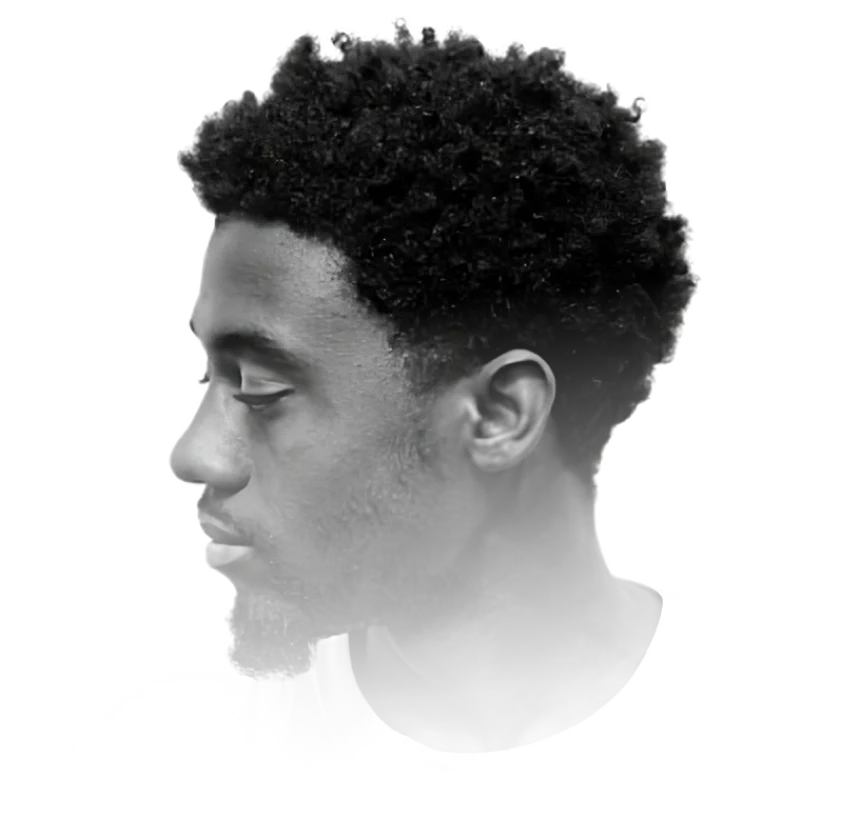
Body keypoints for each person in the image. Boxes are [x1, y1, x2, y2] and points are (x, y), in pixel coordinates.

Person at [17, 20, 852, 817]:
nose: (194, 453)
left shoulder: (784, 767)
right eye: (209, 374)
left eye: (264, 391)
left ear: (499, 412)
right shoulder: (145, 780)